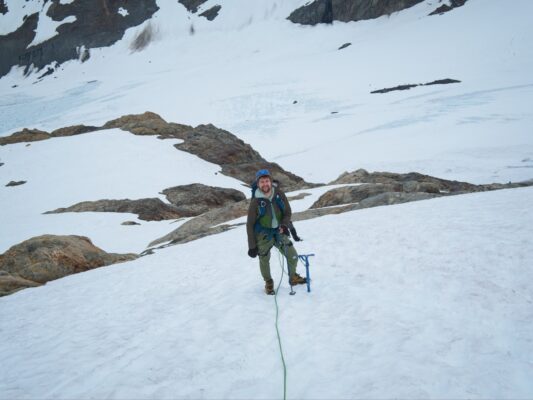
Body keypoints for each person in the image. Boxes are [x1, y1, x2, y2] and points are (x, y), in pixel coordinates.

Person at [247, 169, 306, 295]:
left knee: (292, 254)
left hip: (279, 230)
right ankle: (268, 282)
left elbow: (287, 212)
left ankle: (293, 277)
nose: (265, 184)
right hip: (263, 234)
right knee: (264, 258)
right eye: (262, 182)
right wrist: (252, 246)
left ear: (270, 181)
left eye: (267, 181)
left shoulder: (279, 194)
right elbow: (250, 224)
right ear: (258, 184)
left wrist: (284, 225)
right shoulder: (255, 202)